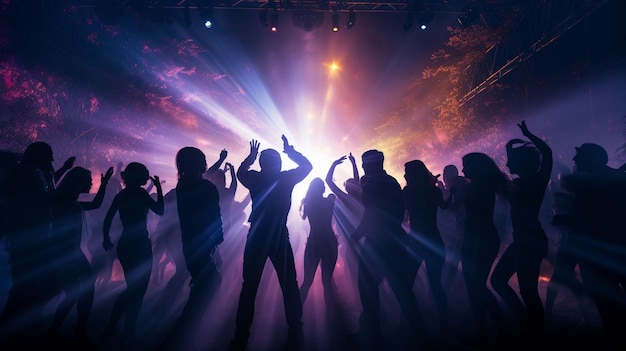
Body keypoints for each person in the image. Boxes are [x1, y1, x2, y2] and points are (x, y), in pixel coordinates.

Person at [230, 136, 312, 351]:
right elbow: (307, 166)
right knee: (289, 283)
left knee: (250, 286)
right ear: (279, 163)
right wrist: (291, 151)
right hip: (277, 235)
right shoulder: (286, 179)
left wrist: (250, 158)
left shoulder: (255, 179)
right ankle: (296, 327)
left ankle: (241, 333)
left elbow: (240, 173)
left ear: (261, 163)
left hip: (257, 234)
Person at [0, 142, 73, 348]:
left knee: (42, 282)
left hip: (38, 238)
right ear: (38, 155)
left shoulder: (34, 172)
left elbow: (47, 188)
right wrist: (63, 195)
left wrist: (65, 171)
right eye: (48, 156)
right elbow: (32, 200)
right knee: (25, 285)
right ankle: (11, 329)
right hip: (27, 239)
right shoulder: (22, 173)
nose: (51, 161)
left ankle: (21, 323)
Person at [556, 143, 626, 346]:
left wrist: (572, 222)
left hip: (602, 253)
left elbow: (600, 217)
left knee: (609, 307)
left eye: (580, 156)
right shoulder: (613, 179)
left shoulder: (597, 183)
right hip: (610, 250)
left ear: (592, 158)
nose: (575, 160)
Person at [353, 149, 423, 350]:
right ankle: (420, 333)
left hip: (378, 241)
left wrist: (355, 236)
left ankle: (373, 338)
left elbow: (371, 215)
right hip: (395, 239)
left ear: (371, 164)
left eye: (364, 162)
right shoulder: (392, 181)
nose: (363, 166)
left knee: (367, 288)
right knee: (401, 289)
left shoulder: (373, 183)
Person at [489, 120, 552, 344]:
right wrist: (508, 148)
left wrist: (528, 134)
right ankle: (529, 325)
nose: (507, 165)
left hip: (531, 242)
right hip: (523, 242)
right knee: (498, 281)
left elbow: (547, 153)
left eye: (511, 161)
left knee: (528, 291)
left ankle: (536, 334)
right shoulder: (520, 184)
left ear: (522, 164)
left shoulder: (536, 181)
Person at [159, 146, 224, 350]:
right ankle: (181, 333)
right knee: (210, 282)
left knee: (205, 282)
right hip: (200, 242)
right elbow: (214, 214)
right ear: (197, 163)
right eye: (203, 159)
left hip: (190, 242)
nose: (205, 163)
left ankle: (185, 332)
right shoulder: (204, 187)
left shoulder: (183, 185)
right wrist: (218, 236)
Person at [46, 166, 114, 346]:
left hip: (74, 253)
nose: (91, 183)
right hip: (64, 254)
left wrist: (105, 183)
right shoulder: (62, 204)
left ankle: (78, 328)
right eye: (88, 180)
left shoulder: (69, 203)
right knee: (74, 293)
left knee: (86, 290)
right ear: (76, 182)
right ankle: (55, 330)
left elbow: (96, 204)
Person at [101, 162, 164, 344]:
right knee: (138, 290)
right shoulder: (141, 194)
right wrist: (159, 188)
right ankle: (125, 329)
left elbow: (108, 218)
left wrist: (106, 238)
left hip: (125, 243)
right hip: (140, 243)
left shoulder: (122, 195)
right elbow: (160, 210)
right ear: (138, 176)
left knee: (132, 288)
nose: (147, 177)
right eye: (145, 174)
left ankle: (116, 326)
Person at [460, 152, 511, 346]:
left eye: (466, 166)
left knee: (477, 287)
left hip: (481, 240)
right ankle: (491, 329)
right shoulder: (477, 186)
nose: (463, 169)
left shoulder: (481, 187)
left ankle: (493, 329)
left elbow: (478, 220)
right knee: (475, 287)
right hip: (473, 240)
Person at [402, 159, 450, 335]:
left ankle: (411, 322)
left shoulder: (408, 191)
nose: (404, 175)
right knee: (436, 285)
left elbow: (400, 212)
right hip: (435, 242)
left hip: (416, 242)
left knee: (405, 283)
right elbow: (446, 207)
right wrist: (450, 193)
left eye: (407, 172)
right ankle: (444, 323)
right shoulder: (434, 191)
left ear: (413, 174)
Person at [325, 154, 363, 307]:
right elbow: (357, 181)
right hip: (365, 239)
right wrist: (354, 164)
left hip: (352, 241)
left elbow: (329, 181)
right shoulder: (363, 198)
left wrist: (333, 164)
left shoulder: (346, 199)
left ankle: (359, 301)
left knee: (354, 274)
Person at [298, 177, 338, 321]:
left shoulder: (309, 203)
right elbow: (333, 192)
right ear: (322, 188)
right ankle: (328, 315)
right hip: (328, 241)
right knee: (327, 281)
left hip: (314, 241)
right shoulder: (329, 200)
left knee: (307, 281)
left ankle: (295, 313)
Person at [440, 164, 468, 288]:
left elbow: (451, 207)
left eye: (444, 176)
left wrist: (442, 191)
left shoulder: (458, 185)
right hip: (464, 232)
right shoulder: (460, 184)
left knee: (456, 266)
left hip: (466, 233)